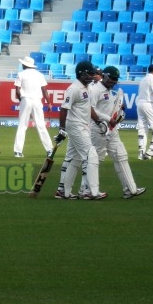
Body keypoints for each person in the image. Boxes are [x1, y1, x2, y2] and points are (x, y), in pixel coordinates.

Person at [89, 66, 146, 199]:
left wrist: (120, 109)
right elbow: (90, 109)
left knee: (121, 155)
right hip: (98, 129)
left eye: (116, 79)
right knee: (96, 159)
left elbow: (113, 107)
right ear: (105, 76)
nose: (114, 81)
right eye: (112, 79)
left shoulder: (113, 91)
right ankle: (86, 190)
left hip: (112, 129)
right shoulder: (95, 89)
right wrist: (109, 119)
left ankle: (130, 189)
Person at [54, 61, 108, 200]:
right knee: (91, 155)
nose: (92, 76)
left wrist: (98, 121)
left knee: (74, 158)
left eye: (92, 73)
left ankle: (63, 192)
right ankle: (91, 191)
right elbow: (64, 108)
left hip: (84, 126)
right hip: (76, 126)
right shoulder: (74, 89)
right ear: (81, 73)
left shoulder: (87, 88)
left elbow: (89, 108)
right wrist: (61, 129)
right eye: (89, 73)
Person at [13, 56, 53, 158]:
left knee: (22, 125)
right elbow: (44, 90)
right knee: (41, 125)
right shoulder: (39, 75)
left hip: (26, 99)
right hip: (37, 100)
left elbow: (17, 90)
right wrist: (49, 103)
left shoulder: (21, 74)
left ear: (25, 65)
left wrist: (21, 100)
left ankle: (18, 151)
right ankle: (49, 149)